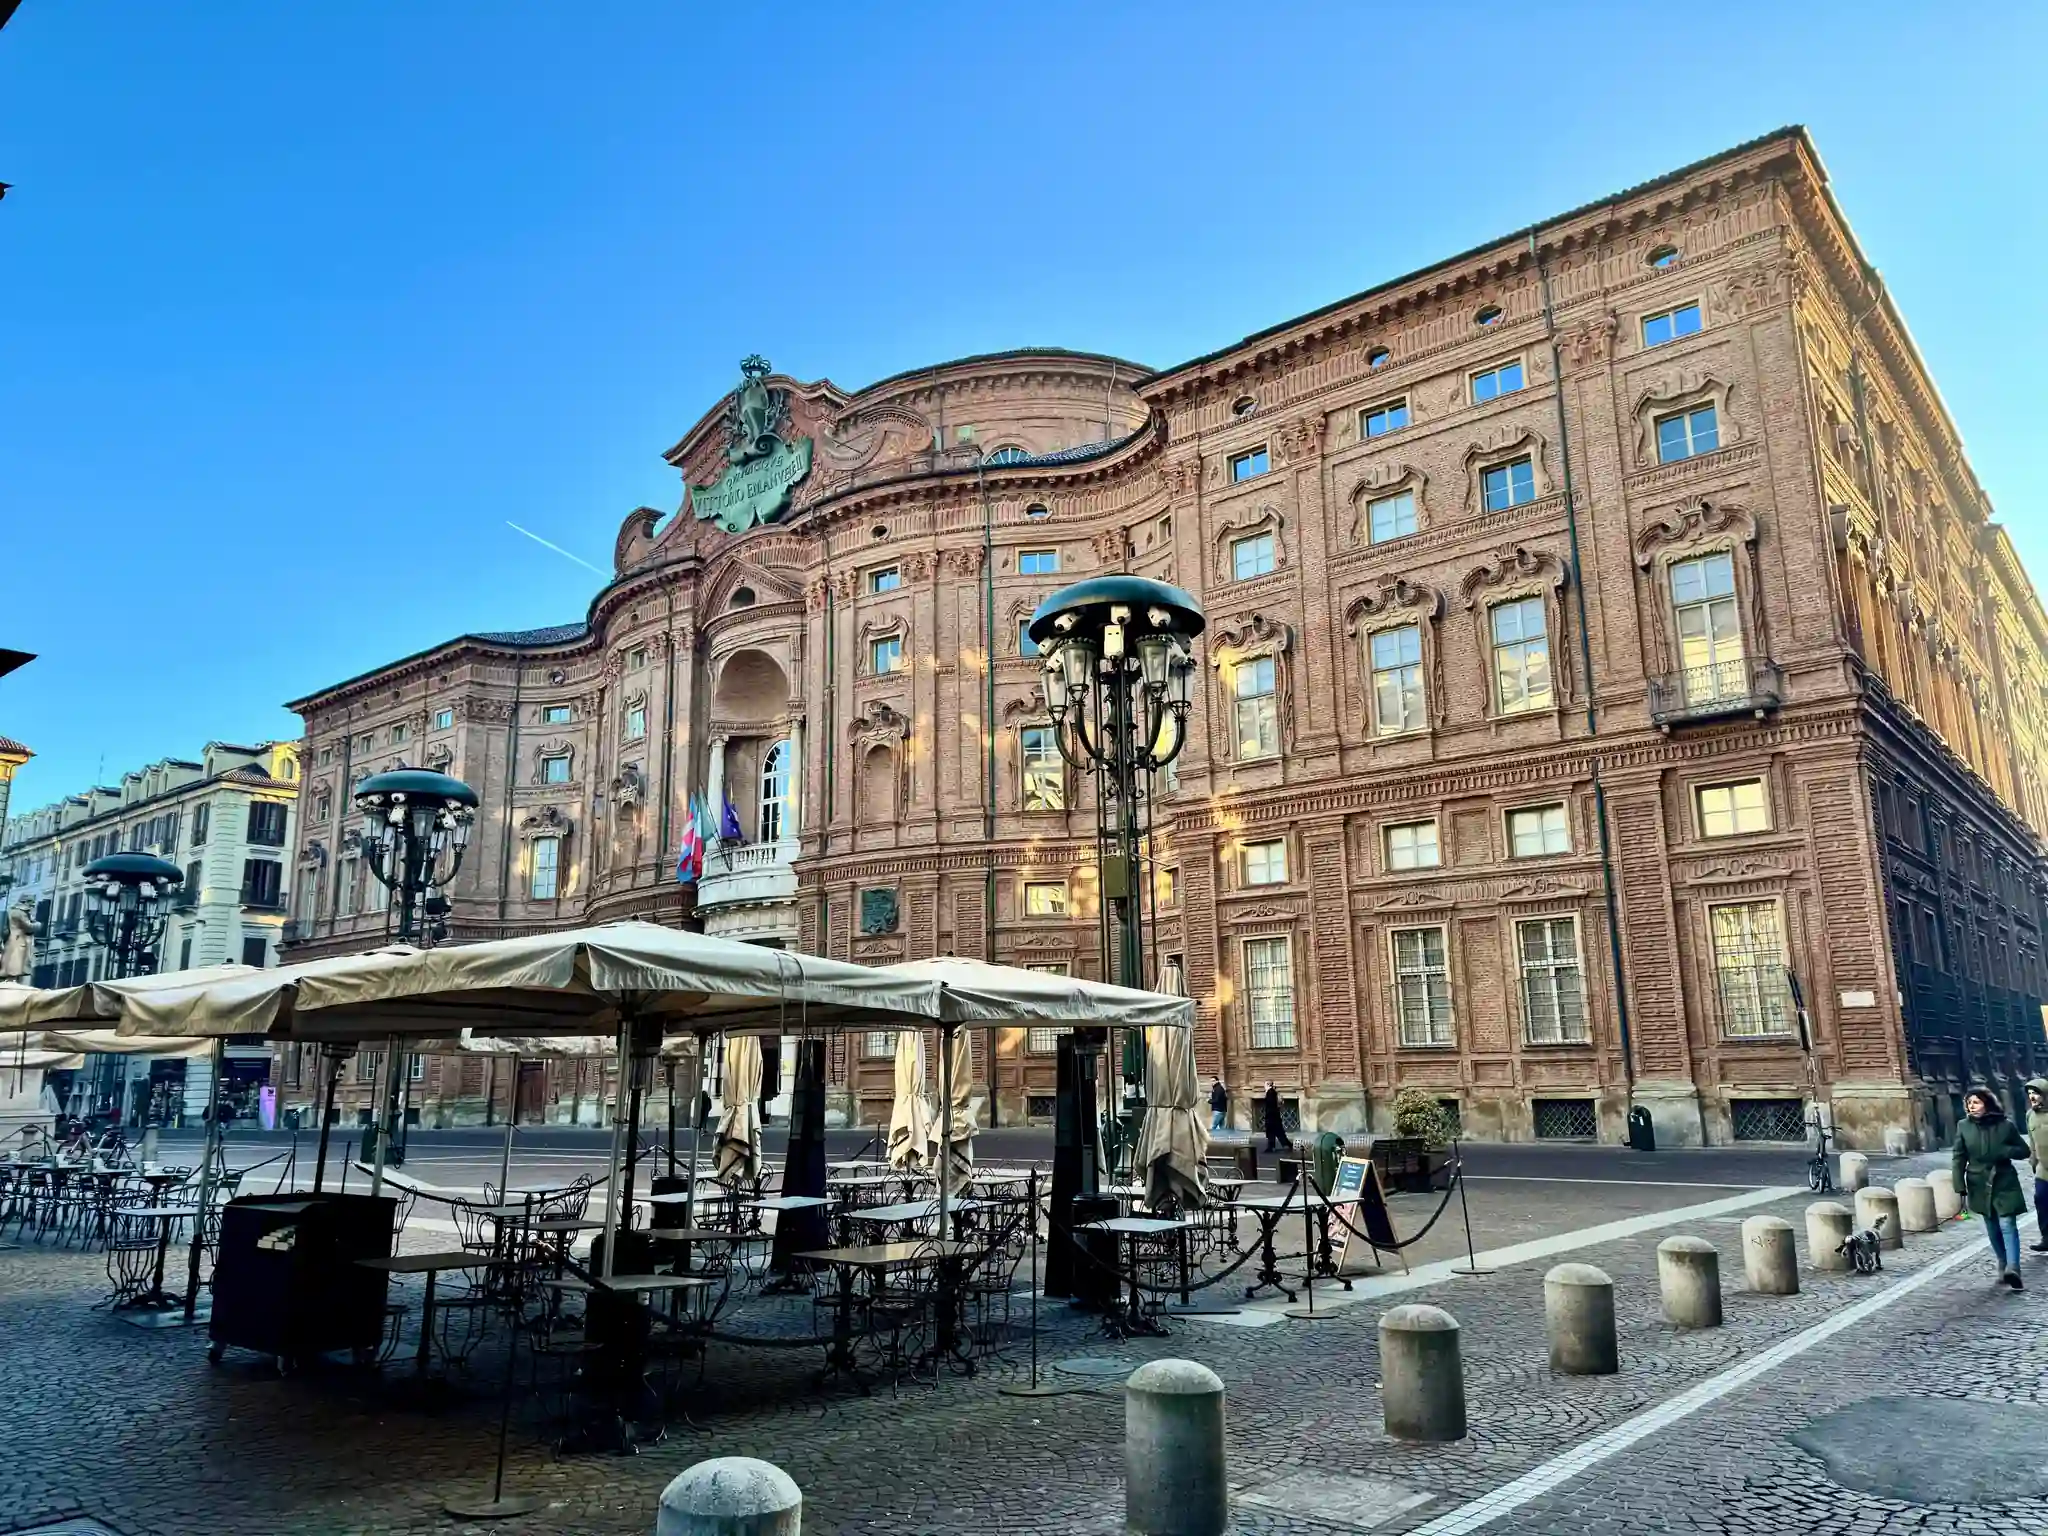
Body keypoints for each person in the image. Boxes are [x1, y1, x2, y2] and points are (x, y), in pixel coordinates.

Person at [1952, 1085, 2029, 1289]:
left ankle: (2014, 1268)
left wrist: (2006, 1151)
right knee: (1992, 1225)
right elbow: (1958, 1157)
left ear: (1987, 1104)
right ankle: (2003, 1262)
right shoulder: (1963, 1126)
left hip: (2004, 1180)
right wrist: (1959, 1184)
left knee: (2007, 1224)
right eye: (1969, 1103)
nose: (1971, 1106)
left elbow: (2024, 1150)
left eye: (1976, 1102)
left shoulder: (2006, 1125)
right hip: (1979, 1181)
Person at [2027, 1077, 2048, 1252]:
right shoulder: (2030, 1115)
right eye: (2030, 1093)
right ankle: (2046, 1238)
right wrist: (2033, 1163)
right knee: (2041, 1200)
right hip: (2042, 1169)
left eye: (2036, 1093)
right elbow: (2032, 1144)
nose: (2032, 1097)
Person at [1261, 1082, 1292, 1153]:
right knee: (1278, 1132)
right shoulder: (1273, 1092)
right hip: (1275, 1116)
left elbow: (1270, 1106)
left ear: (1268, 1085)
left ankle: (1272, 1147)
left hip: (1272, 1116)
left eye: (1265, 1085)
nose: (1264, 1087)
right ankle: (1284, 1145)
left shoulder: (1270, 1093)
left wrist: (1268, 1116)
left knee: (1273, 1132)